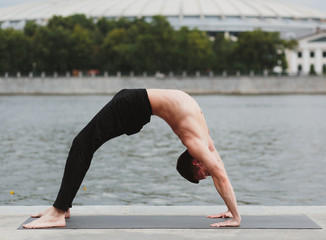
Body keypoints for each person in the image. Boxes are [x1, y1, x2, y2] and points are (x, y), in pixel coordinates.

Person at [23, 89, 241, 229]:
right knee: (82, 144)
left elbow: (220, 171)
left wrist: (231, 210)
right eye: (202, 175)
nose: (207, 174)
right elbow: (220, 176)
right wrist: (237, 219)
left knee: (84, 144)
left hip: (137, 103)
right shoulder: (195, 142)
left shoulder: (206, 142)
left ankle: (63, 207)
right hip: (131, 104)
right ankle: (59, 212)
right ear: (196, 162)